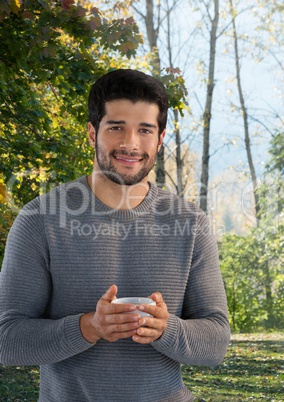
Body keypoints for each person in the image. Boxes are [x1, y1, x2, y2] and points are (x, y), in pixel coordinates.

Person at [0, 69, 230, 402]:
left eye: (145, 130)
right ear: (93, 133)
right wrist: (88, 327)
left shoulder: (191, 223)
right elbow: (7, 340)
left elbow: (217, 342)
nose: (130, 144)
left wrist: (166, 329)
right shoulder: (40, 219)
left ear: (160, 138)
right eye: (116, 127)